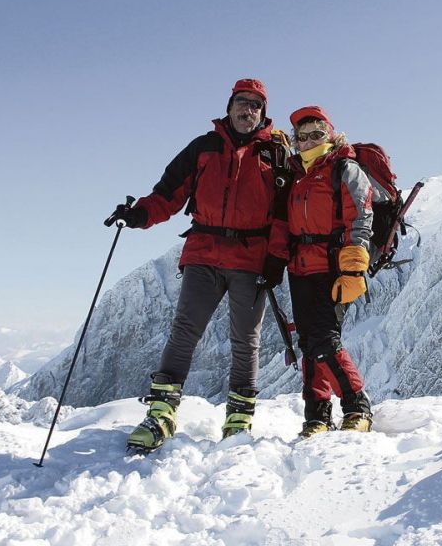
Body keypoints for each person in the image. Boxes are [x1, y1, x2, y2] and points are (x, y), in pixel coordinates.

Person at [109, 78, 291, 453]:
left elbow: (283, 212)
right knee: (184, 331)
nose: (247, 110)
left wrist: (276, 258)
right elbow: (168, 194)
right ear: (229, 106)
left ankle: (238, 420)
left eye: (255, 105)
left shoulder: (275, 154)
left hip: (251, 259)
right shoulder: (203, 148)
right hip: (204, 253)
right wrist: (140, 214)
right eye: (242, 102)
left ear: (262, 113)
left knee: (246, 340)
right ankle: (161, 414)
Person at [285, 106, 374, 438]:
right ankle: (316, 417)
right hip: (299, 269)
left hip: (334, 267)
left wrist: (353, 269)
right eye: (303, 136)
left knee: (324, 340)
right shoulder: (296, 174)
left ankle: (357, 406)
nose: (309, 141)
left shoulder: (344, 168)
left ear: (331, 135)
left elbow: (360, 217)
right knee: (308, 342)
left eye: (317, 134)